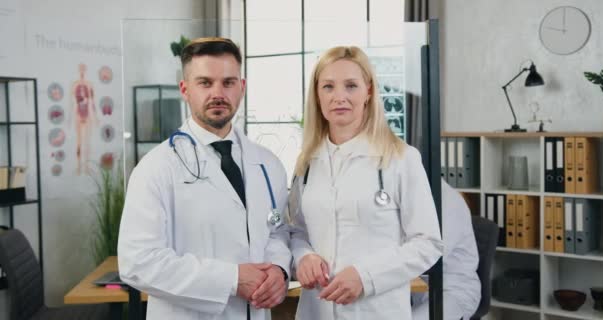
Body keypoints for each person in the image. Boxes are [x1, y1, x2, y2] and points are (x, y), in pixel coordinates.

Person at [118, 37, 292, 320]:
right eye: (205, 83)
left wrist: (279, 269)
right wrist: (231, 279)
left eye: (228, 82)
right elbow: (138, 262)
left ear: (242, 87)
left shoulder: (267, 163)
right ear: (185, 90)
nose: (218, 93)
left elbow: (276, 231)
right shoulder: (156, 168)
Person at [288, 46, 443, 320]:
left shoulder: (401, 158)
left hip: (377, 310)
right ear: (316, 95)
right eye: (328, 87)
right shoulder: (307, 162)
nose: (339, 97)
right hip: (316, 310)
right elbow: (297, 232)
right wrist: (304, 258)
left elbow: (428, 243)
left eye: (351, 86)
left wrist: (366, 277)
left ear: (368, 91)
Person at [411, 179, 481, 320]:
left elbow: (429, 258)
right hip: (417, 289)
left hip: (451, 291)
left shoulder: (446, 200)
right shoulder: (412, 193)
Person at [70, 63, 98, 175]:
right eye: (80, 68)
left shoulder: (89, 84)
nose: (82, 71)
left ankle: (86, 167)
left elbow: (92, 101)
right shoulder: (74, 84)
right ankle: (78, 166)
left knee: (87, 142)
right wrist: (70, 117)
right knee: (79, 142)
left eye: (83, 69)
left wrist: (96, 117)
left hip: (87, 115)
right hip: (78, 114)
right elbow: (71, 103)